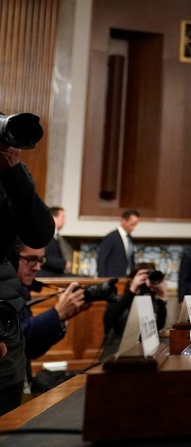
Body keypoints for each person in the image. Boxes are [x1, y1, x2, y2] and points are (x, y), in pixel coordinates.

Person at [0, 139, 55, 416]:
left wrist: (14, 173)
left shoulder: (11, 172)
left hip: (6, 320)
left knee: (8, 414)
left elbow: (39, 234)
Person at [17, 242, 88, 360]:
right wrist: (57, 314)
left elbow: (30, 350)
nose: (37, 267)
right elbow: (17, 340)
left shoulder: (22, 290)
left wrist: (63, 316)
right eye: (30, 259)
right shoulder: (7, 290)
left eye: (41, 260)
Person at [102, 262, 167, 359]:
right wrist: (132, 290)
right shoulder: (118, 299)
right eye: (142, 277)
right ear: (130, 279)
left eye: (149, 277)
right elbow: (108, 320)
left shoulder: (153, 302)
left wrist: (162, 298)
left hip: (143, 355)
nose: (145, 281)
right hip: (115, 354)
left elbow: (158, 326)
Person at [96, 209, 139, 277]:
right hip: (112, 278)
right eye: (132, 224)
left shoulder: (130, 239)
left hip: (126, 278)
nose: (133, 228)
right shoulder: (111, 237)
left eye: (135, 225)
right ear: (123, 221)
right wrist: (102, 280)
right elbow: (101, 260)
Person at [38, 206, 71, 277]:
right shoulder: (45, 234)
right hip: (46, 275)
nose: (65, 221)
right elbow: (44, 258)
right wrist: (64, 264)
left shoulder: (55, 236)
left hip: (54, 274)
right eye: (62, 217)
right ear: (54, 218)